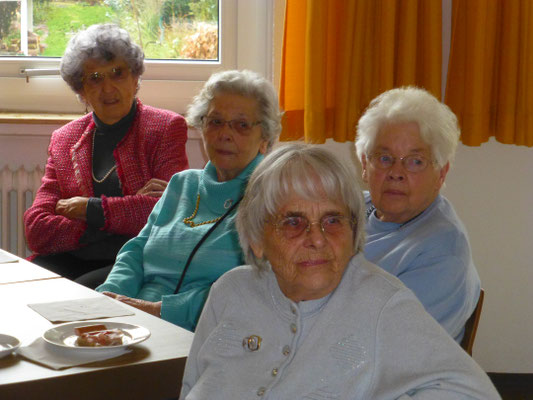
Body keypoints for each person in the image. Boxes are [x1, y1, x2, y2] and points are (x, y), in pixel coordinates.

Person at [180, 143, 500, 399]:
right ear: (257, 238)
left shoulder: (380, 303)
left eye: (333, 221)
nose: (317, 239)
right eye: (294, 222)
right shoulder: (230, 291)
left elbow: (472, 392)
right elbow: (190, 386)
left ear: (354, 231)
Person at [96, 69, 282, 331]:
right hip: (134, 320)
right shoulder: (182, 184)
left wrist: (154, 311)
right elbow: (136, 251)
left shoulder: (273, 199)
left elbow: (251, 290)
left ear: (265, 138)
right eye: (215, 121)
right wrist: (108, 299)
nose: (224, 134)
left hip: (203, 334)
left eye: (241, 125)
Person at [23, 24, 189, 288]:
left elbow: (165, 214)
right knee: (22, 288)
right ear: (82, 91)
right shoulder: (64, 139)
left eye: (117, 73)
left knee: (77, 297)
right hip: (70, 257)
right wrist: (121, 215)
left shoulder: (165, 128)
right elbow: (37, 230)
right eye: (95, 78)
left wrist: (86, 208)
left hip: (135, 259)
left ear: (135, 77)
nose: (108, 88)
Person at [355, 86, 480, 342]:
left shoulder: (442, 250)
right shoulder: (351, 209)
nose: (396, 172)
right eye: (384, 157)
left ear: (441, 174)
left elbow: (393, 345)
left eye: (415, 161)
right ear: (364, 165)